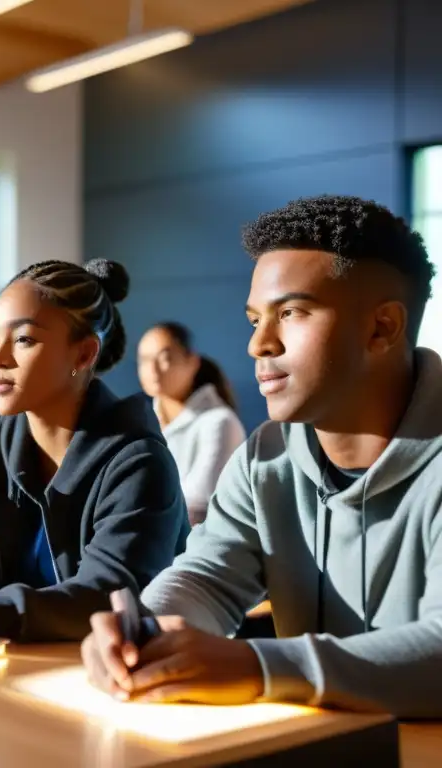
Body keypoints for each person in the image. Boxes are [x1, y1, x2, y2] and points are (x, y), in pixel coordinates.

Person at [81, 195, 442, 718]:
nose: (259, 345)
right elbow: (206, 577)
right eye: (255, 320)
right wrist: (144, 631)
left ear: (381, 328)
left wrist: (257, 669)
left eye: (291, 313)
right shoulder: (264, 458)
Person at [0, 258, 189, 641]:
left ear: (83, 355)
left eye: (24, 339)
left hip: (126, 673)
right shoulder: (1, 439)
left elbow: (106, 599)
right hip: (27, 661)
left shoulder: (140, 463)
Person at [137, 322, 246, 525]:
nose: (152, 369)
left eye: (165, 358)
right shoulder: (142, 423)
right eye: (144, 360)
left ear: (192, 362)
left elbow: (197, 507)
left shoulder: (220, 422)